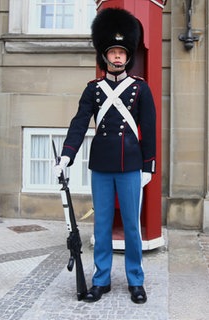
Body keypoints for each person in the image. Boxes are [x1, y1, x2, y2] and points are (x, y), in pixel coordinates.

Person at [53, 8, 156, 304]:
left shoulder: (140, 88)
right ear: (104, 56)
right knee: (101, 227)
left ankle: (136, 279)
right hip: (101, 166)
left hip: (130, 166)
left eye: (122, 52)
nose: (118, 57)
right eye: (112, 52)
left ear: (128, 56)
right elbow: (79, 122)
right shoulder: (93, 90)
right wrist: (66, 157)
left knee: (133, 227)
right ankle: (101, 279)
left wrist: (149, 165)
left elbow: (148, 128)